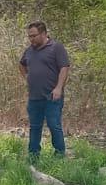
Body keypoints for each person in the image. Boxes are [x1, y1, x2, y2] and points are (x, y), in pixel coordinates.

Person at [19, 21, 70, 159]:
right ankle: (33, 156)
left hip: (52, 96)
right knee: (35, 127)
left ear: (43, 33)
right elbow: (22, 64)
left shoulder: (56, 48)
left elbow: (64, 68)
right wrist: (27, 77)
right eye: (29, 36)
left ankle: (59, 155)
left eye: (34, 36)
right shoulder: (29, 50)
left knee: (54, 125)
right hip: (34, 96)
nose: (31, 39)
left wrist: (59, 88)